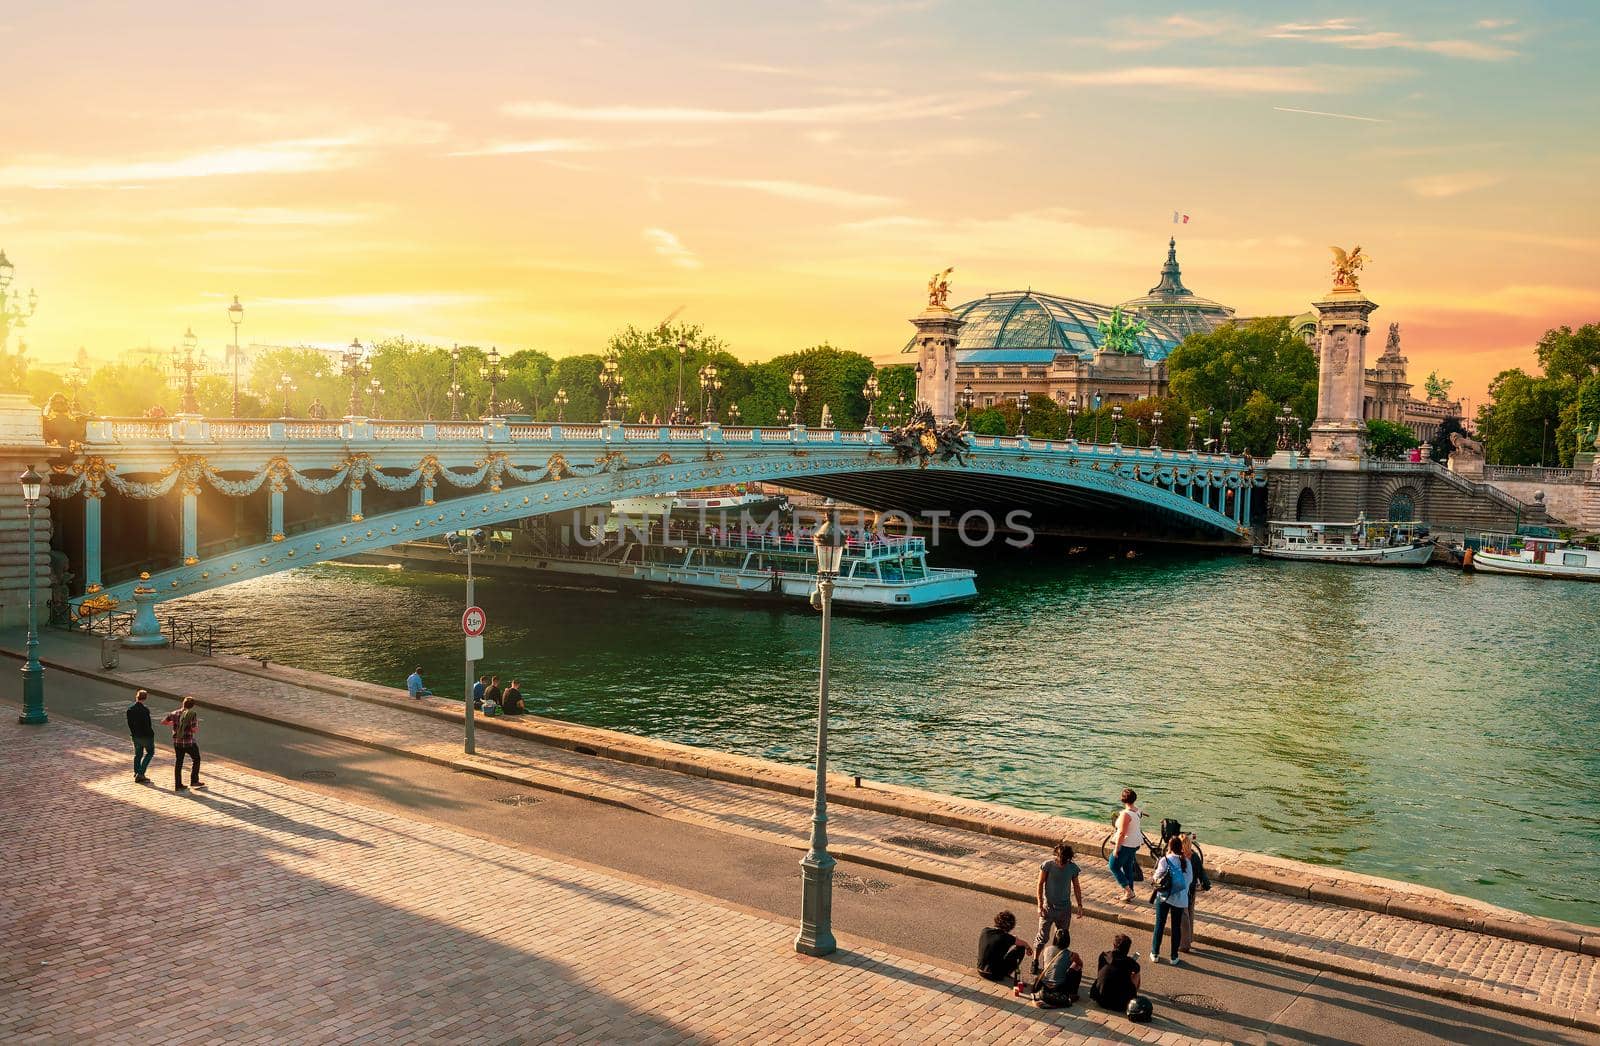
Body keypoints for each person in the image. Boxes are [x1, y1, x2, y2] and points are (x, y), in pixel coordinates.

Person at [1032, 842, 1084, 972]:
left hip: (1065, 909)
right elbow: (1040, 884)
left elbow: (1077, 887)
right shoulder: (1047, 866)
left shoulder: (1072, 868)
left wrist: (1080, 905)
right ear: (1056, 856)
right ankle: (1035, 961)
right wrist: (1039, 905)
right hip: (1048, 907)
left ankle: (1054, 964)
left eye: (1065, 861)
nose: (1062, 863)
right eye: (1060, 860)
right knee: (1042, 937)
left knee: (1062, 939)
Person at [1149, 834, 1194, 965]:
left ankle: (1155, 953)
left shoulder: (1165, 860)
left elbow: (1156, 878)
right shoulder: (1187, 862)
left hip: (1164, 897)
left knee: (1159, 925)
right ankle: (1174, 956)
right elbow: (1189, 881)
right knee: (1176, 928)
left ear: (1169, 847)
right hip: (1180, 900)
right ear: (1181, 848)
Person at [1028, 927, 1083, 1008]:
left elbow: (1046, 967)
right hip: (1059, 987)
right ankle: (1073, 993)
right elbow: (1080, 964)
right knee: (1077, 967)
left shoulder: (1046, 949)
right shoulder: (1072, 954)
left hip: (1045, 984)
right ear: (1068, 940)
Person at [160, 697, 204, 792]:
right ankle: (194, 781)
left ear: (183, 703)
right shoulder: (192, 714)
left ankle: (178, 784)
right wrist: (195, 726)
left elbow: (163, 722)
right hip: (188, 742)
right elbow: (194, 730)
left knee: (179, 762)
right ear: (192, 706)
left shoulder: (174, 713)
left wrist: (174, 724)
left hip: (177, 742)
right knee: (196, 759)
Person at [1108, 788, 1144, 903]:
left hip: (1126, 844)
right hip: (1135, 843)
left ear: (1123, 800)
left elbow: (1122, 833)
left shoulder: (1125, 814)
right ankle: (1130, 891)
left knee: (1113, 865)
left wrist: (1116, 848)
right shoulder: (1137, 811)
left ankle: (1128, 890)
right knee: (1128, 867)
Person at [1090, 934, 1141, 1013]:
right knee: (1136, 974)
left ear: (1114, 945)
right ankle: (1132, 998)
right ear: (1128, 949)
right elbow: (1137, 970)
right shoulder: (1130, 962)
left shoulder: (1103, 955)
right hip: (1119, 1004)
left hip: (1100, 998)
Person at [976, 910, 1032, 983]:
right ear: (1010, 926)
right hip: (994, 975)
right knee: (1021, 948)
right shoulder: (1006, 937)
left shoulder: (985, 930)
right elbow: (1023, 943)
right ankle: (1006, 973)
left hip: (980, 970)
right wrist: (1028, 948)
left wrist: (1012, 938)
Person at [1178, 835, 1211, 953]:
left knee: (1182, 918)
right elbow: (1202, 873)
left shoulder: (1177, 857)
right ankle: (1189, 938)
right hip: (1191, 891)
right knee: (1190, 915)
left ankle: (1183, 943)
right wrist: (1206, 885)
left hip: (1181, 891)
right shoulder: (1195, 857)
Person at [126, 689, 155, 783]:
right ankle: (141, 773)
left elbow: (129, 723)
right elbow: (147, 724)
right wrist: (151, 734)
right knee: (150, 753)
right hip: (146, 736)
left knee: (138, 754)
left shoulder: (130, 709)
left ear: (137, 697)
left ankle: (136, 771)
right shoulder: (145, 710)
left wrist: (133, 732)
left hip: (135, 735)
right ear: (145, 698)